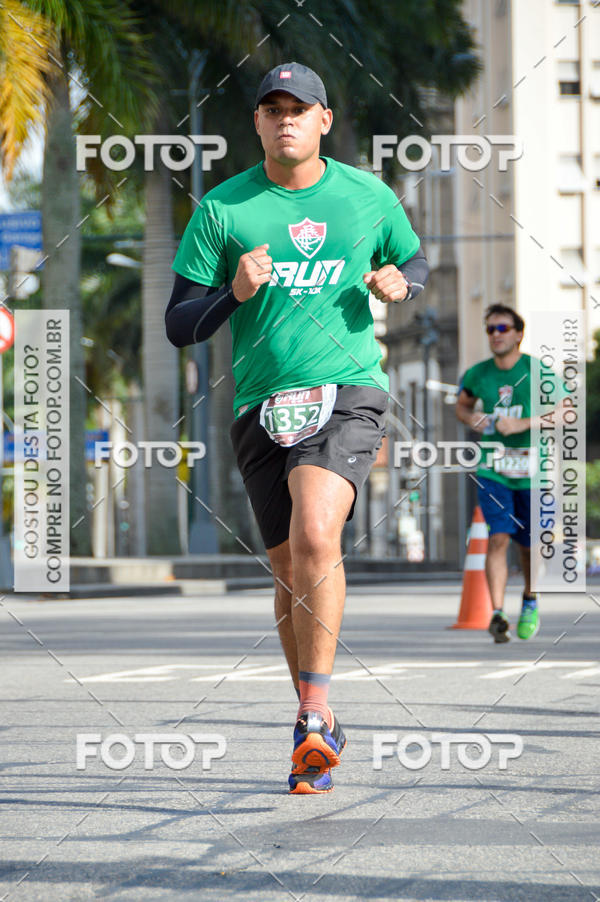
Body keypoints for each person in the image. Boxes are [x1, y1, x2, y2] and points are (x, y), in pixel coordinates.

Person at [165, 62, 428, 793]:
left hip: (348, 391)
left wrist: (404, 281)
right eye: (273, 108)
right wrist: (232, 293)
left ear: (323, 120)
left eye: (299, 108)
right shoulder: (223, 209)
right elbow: (179, 325)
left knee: (316, 533)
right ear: (257, 122)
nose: (286, 119)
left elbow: (413, 256)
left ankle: (310, 714)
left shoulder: (366, 195)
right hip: (260, 404)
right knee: (287, 573)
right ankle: (319, 726)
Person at [455, 304, 539, 643]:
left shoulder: (537, 371)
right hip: (494, 469)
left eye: (502, 328)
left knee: (529, 546)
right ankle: (498, 613)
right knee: (498, 538)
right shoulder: (478, 374)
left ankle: (530, 600)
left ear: (518, 334)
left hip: (533, 471)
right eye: (490, 329)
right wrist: (473, 418)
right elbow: (462, 406)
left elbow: (567, 412)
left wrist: (524, 423)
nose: (495, 335)